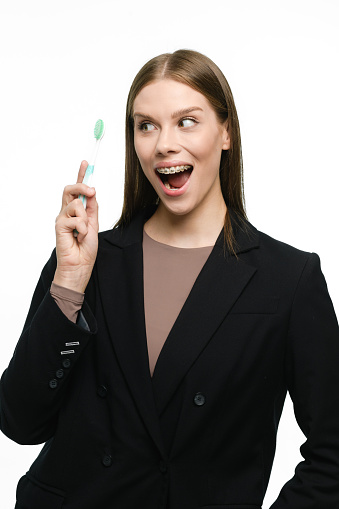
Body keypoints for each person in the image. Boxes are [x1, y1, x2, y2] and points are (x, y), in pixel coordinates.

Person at [1, 49, 339, 509]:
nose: (163, 144)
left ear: (226, 132)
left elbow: (333, 455)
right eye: (146, 125)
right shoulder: (88, 260)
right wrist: (70, 283)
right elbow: (20, 423)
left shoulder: (289, 279)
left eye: (186, 121)